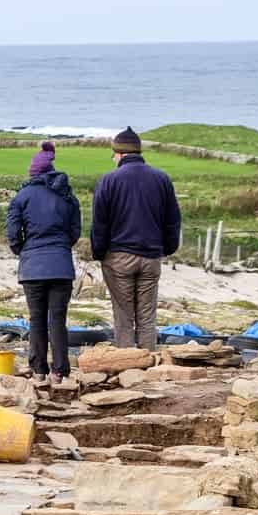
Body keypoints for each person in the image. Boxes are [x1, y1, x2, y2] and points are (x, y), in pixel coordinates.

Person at [91, 126, 182, 349]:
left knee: (123, 314)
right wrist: (167, 248)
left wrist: (98, 252)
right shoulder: (161, 179)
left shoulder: (109, 180)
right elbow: (172, 219)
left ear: (120, 153)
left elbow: (100, 222)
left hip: (119, 256)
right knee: (147, 314)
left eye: (113, 154)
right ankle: (148, 359)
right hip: (151, 256)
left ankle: (128, 362)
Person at [6, 141, 80, 388]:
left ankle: (38, 370)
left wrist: (23, 251)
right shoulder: (68, 196)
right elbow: (74, 232)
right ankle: (59, 372)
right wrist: (60, 247)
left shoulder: (22, 196)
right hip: (61, 264)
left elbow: (13, 233)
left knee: (36, 319)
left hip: (33, 267)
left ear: (34, 172)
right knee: (58, 319)